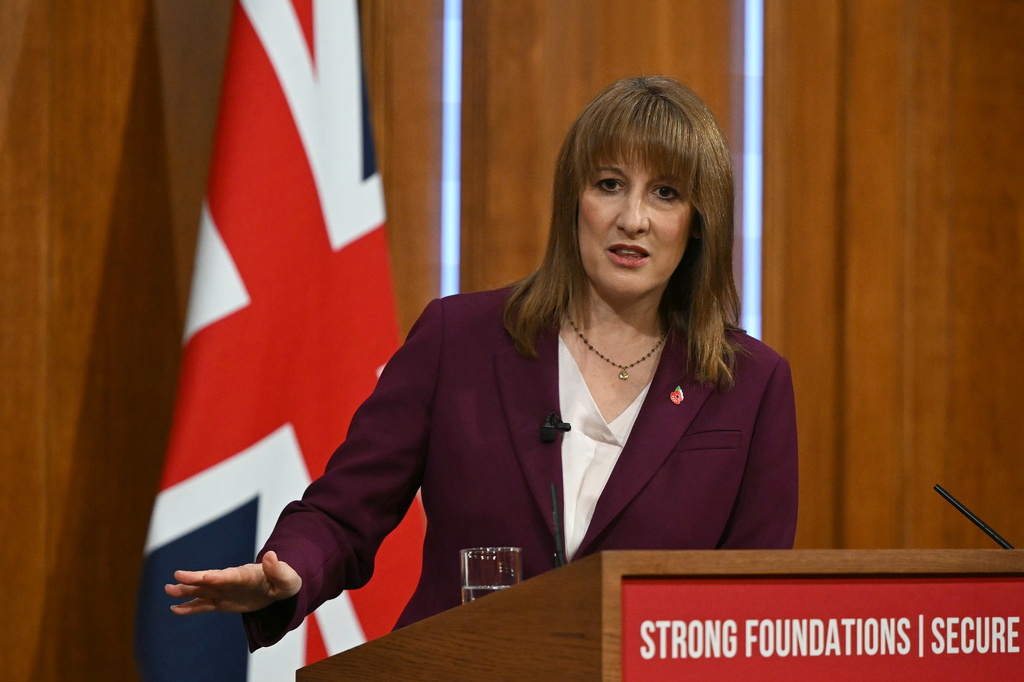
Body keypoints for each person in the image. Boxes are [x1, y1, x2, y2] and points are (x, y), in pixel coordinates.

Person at [166, 75, 798, 649]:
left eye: (665, 194)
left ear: (698, 222)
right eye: (609, 184)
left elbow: (751, 611)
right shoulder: (459, 340)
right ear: (573, 200)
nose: (633, 219)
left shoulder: (750, 385)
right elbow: (343, 511)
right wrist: (289, 570)